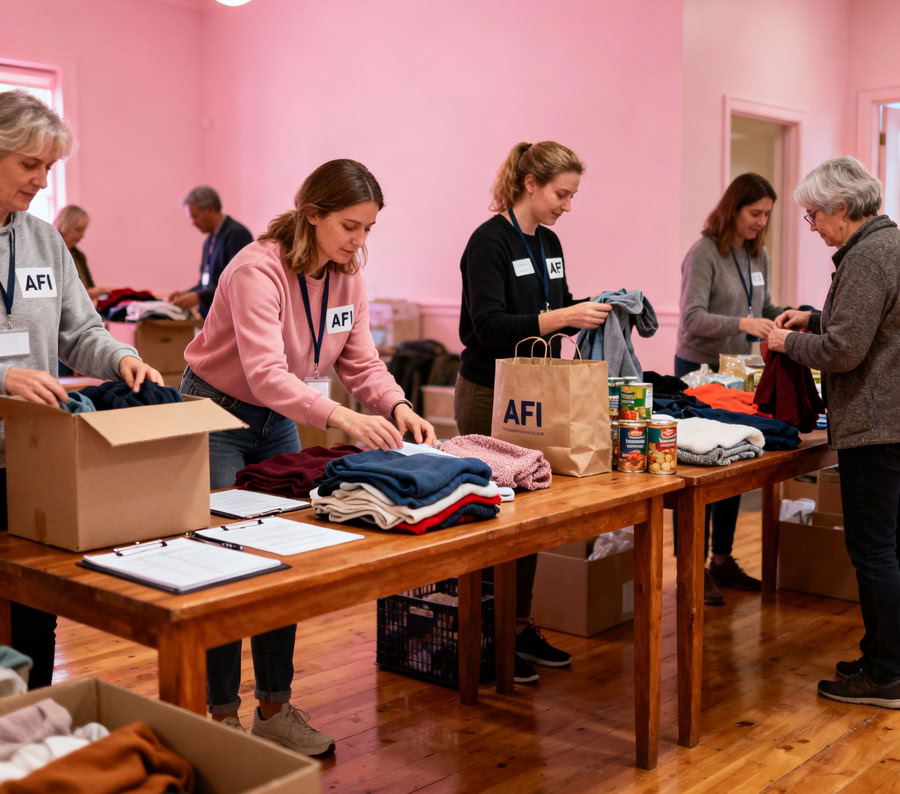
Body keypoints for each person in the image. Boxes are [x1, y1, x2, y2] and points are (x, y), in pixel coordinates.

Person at [180, 158, 435, 754]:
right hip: (217, 415)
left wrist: (397, 406)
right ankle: (220, 720)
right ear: (312, 214)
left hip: (278, 422)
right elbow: (267, 373)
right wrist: (344, 417)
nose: (359, 241)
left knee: (279, 565)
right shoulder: (255, 269)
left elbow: (361, 363)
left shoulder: (347, 275)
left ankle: (274, 710)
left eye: (369, 229)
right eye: (350, 226)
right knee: (224, 566)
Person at [0, 90, 162, 689]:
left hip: (35, 460)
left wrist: (121, 359)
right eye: (29, 165)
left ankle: (33, 730)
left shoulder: (44, 242)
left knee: (34, 615)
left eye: (49, 167)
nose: (42, 181)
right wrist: (4, 377)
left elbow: (81, 331)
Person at [455, 140, 611, 685]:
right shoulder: (488, 242)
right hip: (487, 392)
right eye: (560, 194)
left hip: (535, 393)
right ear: (529, 184)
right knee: (489, 517)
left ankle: (518, 626)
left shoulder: (549, 242)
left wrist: (594, 310)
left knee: (532, 512)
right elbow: (492, 325)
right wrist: (561, 315)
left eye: (571, 196)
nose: (566, 205)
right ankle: (482, 636)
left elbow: (556, 306)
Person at [767, 156, 900, 709]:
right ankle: (881, 656)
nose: (814, 225)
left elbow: (846, 351)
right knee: (887, 548)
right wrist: (813, 318)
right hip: (888, 419)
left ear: (843, 209)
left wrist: (786, 344)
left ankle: (886, 673)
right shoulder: (886, 244)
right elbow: (866, 327)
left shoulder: (868, 256)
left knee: (873, 551)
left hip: (875, 423)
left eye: (814, 215)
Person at [675, 173, 789, 606]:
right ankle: (694, 564)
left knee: (737, 461)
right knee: (703, 469)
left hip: (740, 371)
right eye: (755, 213)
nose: (761, 222)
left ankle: (722, 559)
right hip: (698, 372)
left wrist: (789, 314)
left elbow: (763, 307)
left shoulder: (757, 254)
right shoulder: (704, 252)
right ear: (734, 209)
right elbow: (691, 318)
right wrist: (742, 324)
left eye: (766, 216)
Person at [168, 186, 252, 317]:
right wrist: (186, 294)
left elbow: (236, 284)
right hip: (209, 318)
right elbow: (207, 284)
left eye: (195, 216)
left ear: (210, 209)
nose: (193, 223)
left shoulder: (237, 234)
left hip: (230, 320)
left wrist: (200, 297)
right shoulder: (209, 242)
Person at [53, 205, 109, 301]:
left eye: (83, 230)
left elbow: (89, 287)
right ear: (64, 227)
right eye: (78, 230)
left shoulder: (79, 256)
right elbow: (57, 295)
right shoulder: (51, 255)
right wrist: (92, 292)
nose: (82, 236)